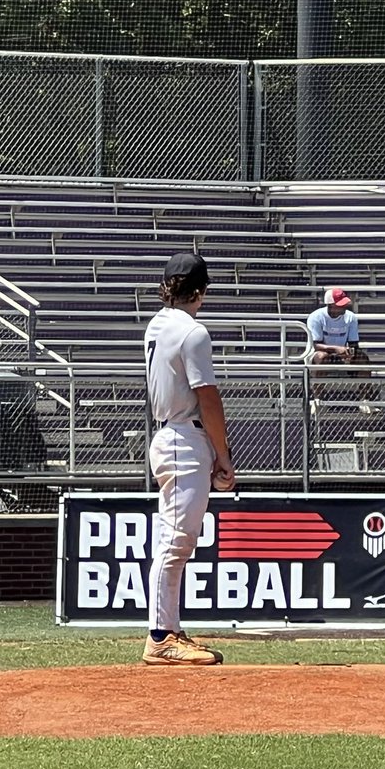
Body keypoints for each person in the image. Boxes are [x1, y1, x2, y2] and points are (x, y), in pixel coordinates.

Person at [142, 252, 234, 666]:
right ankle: (161, 636)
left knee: (174, 541)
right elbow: (208, 397)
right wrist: (223, 454)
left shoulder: (157, 324)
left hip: (169, 433)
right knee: (176, 542)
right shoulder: (193, 332)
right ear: (202, 291)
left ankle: (169, 630)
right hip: (184, 438)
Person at [306, 288, 370, 366]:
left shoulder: (351, 317)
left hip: (342, 353)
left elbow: (353, 343)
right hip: (318, 353)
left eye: (344, 304)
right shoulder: (316, 317)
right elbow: (316, 345)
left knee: (362, 358)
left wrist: (349, 352)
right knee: (322, 357)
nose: (344, 306)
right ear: (330, 305)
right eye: (340, 304)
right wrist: (336, 349)